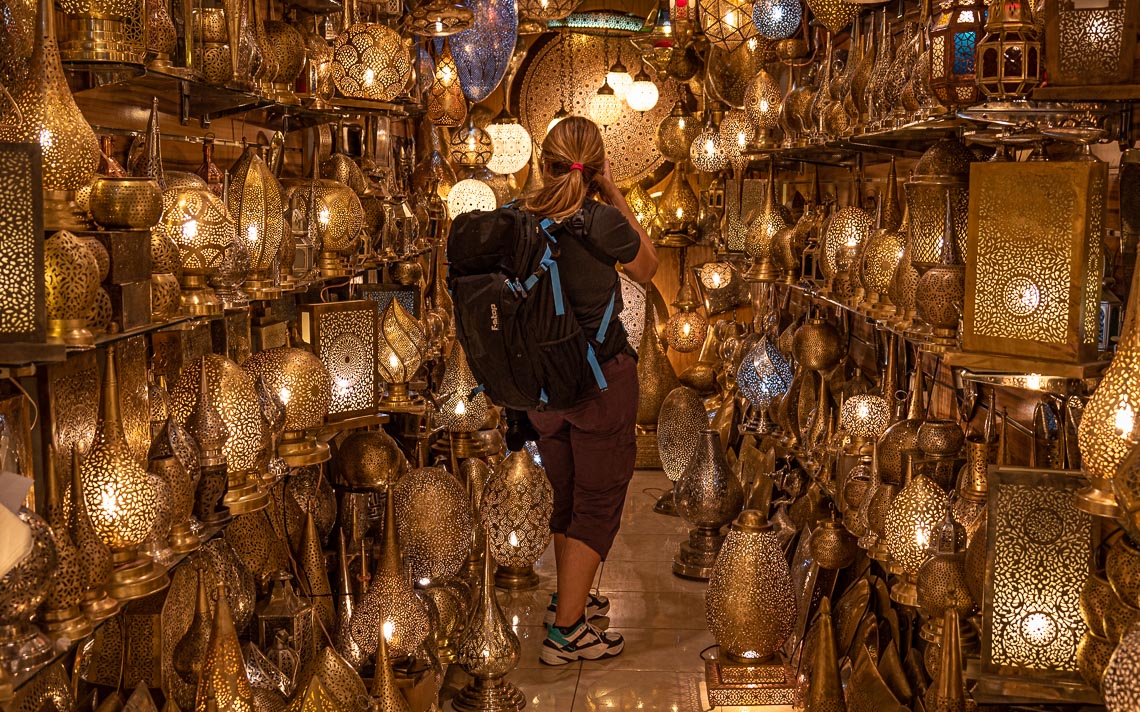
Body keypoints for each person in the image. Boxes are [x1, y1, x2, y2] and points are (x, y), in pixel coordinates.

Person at [522, 116, 658, 666]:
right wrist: (613, 190)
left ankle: (570, 601)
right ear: (597, 167)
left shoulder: (520, 218)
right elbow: (646, 267)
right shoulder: (601, 220)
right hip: (599, 380)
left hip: (540, 388)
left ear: (543, 163)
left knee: (568, 496)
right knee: (597, 506)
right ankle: (567, 629)